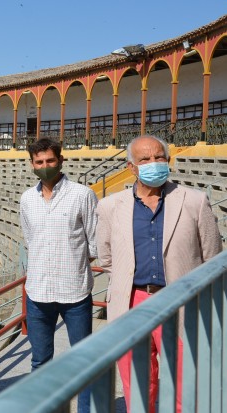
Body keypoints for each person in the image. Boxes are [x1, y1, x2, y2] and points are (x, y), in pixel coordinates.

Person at [96, 135, 222, 413]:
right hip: (132, 302)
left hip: (180, 301)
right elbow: (105, 256)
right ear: (131, 167)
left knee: (184, 379)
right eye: (145, 159)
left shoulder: (194, 201)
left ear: (168, 160)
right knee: (138, 382)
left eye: (159, 157)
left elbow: (212, 256)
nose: (153, 163)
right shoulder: (110, 206)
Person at [19, 138, 97, 413]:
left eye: (50, 161)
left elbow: (93, 243)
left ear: (61, 161)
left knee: (83, 362)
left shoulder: (83, 194)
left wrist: (71, 263)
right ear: (32, 165)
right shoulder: (27, 198)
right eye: (39, 162)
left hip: (74, 293)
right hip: (38, 293)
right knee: (40, 362)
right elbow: (31, 239)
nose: (45, 166)